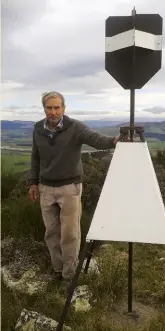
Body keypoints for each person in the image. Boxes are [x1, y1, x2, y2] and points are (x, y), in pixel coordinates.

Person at [28, 91, 122, 284]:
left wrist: (113, 141)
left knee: (70, 233)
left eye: (56, 107)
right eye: (49, 107)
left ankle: (69, 276)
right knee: (51, 232)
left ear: (63, 108)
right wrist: (33, 183)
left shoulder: (75, 127)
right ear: (44, 108)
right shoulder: (38, 129)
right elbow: (35, 157)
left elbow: (94, 138)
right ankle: (57, 270)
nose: (53, 111)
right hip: (46, 188)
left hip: (70, 188)